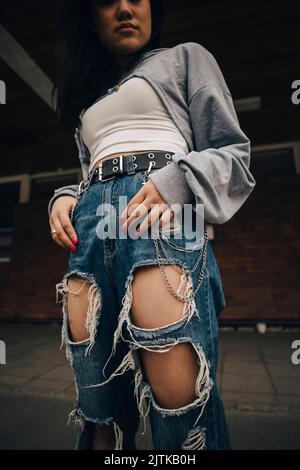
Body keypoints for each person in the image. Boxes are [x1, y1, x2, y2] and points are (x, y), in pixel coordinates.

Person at [48, 0, 256, 450]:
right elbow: (90, 172)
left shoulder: (186, 57)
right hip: (91, 228)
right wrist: (65, 197)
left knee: (180, 402)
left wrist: (177, 181)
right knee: (98, 409)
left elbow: (233, 156)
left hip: (158, 216)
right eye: (107, 0)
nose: (124, 7)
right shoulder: (88, 94)